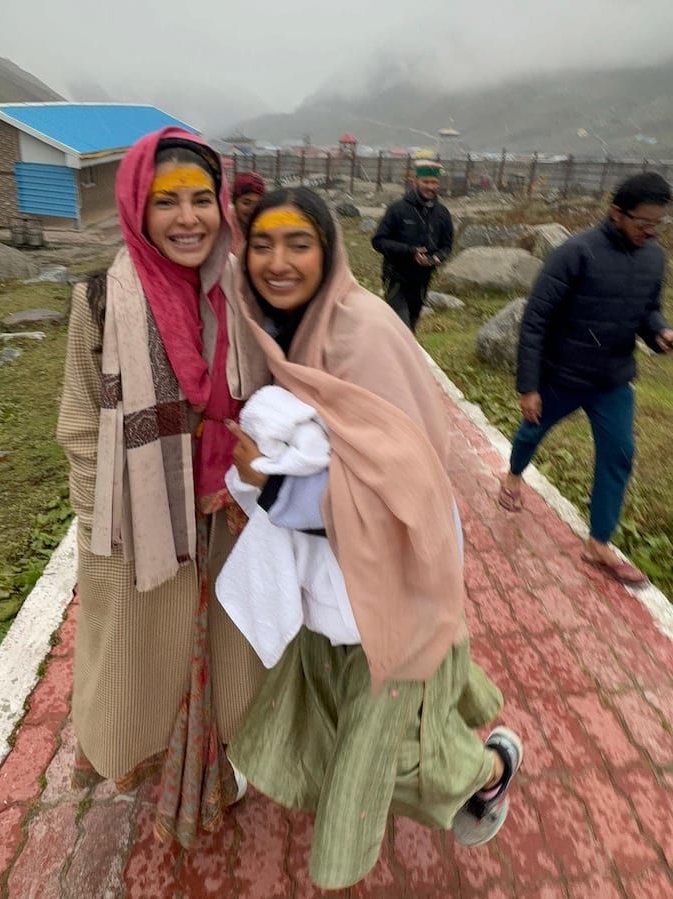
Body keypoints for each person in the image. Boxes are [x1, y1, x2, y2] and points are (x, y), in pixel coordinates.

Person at [223, 187, 523, 890]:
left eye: (299, 243)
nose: (277, 260)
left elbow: (402, 482)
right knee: (350, 723)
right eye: (262, 243)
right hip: (337, 582)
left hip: (397, 574)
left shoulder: (364, 330)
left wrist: (272, 488)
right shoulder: (284, 327)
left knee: (399, 750)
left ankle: (493, 768)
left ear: (328, 252)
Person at [57, 127, 269, 846]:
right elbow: (80, 419)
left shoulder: (244, 293)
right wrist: (103, 516)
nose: (188, 218)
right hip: (140, 521)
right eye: (165, 200)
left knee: (231, 655)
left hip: (231, 514)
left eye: (202, 199)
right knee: (148, 664)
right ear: (136, 208)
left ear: (223, 207)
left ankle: (217, 765)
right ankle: (162, 769)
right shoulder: (99, 299)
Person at [499, 172, 673, 585]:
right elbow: (536, 319)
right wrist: (529, 385)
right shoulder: (575, 253)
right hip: (564, 374)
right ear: (616, 213)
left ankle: (598, 545)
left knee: (619, 455)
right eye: (643, 223)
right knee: (531, 432)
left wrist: (660, 330)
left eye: (658, 225)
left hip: (613, 379)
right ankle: (513, 474)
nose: (650, 233)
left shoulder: (654, 257)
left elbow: (648, 309)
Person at [371, 159, 453, 331]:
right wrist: (410, 252)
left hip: (422, 282)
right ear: (415, 181)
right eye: (426, 182)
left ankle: (398, 357)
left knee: (411, 328)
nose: (430, 187)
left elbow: (447, 246)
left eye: (434, 182)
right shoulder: (397, 209)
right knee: (402, 328)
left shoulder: (442, 213)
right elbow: (378, 241)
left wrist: (437, 257)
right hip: (396, 280)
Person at [230, 171, 266, 251]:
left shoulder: (266, 226)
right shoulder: (223, 229)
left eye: (258, 203)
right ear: (234, 201)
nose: (252, 209)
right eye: (246, 202)